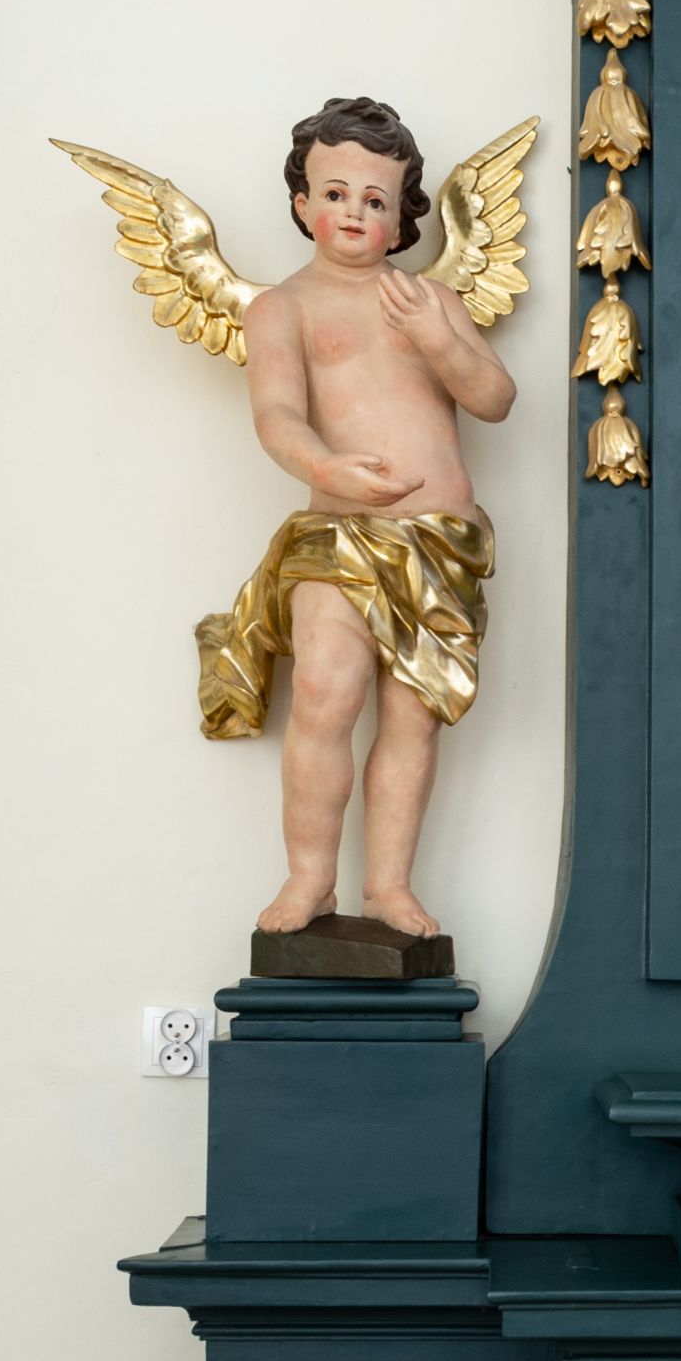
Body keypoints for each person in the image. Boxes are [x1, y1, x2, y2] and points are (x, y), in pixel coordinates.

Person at [196, 96, 515, 944]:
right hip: (336, 538)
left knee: (412, 715)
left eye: (375, 199)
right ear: (303, 201)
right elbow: (276, 414)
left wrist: (441, 339)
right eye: (335, 193)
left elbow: (495, 397)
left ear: (403, 216)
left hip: (438, 544)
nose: (352, 213)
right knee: (324, 692)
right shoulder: (284, 308)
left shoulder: (429, 299)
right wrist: (325, 468)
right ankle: (309, 878)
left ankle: (388, 886)